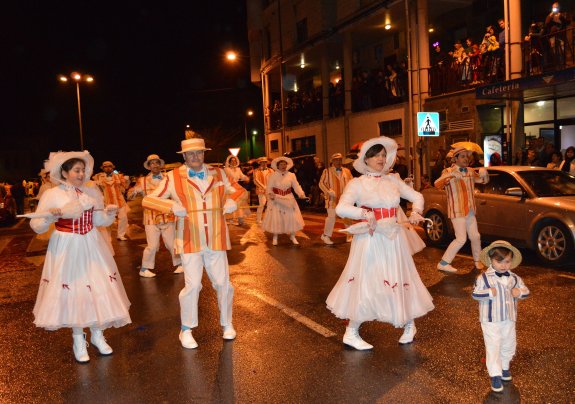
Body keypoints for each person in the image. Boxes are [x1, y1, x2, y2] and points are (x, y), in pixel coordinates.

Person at [326, 136, 434, 350]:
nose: (381, 159)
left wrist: (416, 212)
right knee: (366, 282)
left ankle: (409, 325)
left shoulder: (393, 180)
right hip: (370, 238)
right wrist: (365, 213)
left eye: (384, 155)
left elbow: (417, 197)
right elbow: (341, 208)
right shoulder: (357, 183)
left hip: (393, 238)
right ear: (366, 159)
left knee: (398, 277)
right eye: (376, 155)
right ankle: (351, 332)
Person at [29, 151, 131, 363]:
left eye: (83, 170)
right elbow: (36, 225)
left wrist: (109, 213)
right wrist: (50, 216)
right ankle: (78, 338)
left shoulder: (91, 192)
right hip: (67, 244)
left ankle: (97, 334)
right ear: (64, 172)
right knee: (74, 291)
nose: (81, 174)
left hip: (91, 243)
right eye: (76, 170)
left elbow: (99, 220)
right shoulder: (52, 194)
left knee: (97, 287)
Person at [142, 137, 239, 349]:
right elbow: (148, 200)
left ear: (204, 154)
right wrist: (170, 206)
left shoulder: (219, 173)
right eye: (191, 154)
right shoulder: (172, 177)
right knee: (193, 285)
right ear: (184, 156)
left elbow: (238, 190)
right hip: (188, 238)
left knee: (223, 283)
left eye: (200, 153)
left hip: (216, 237)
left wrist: (232, 201)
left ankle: (227, 324)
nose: (196, 157)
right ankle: (186, 329)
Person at [472, 240, 530, 392]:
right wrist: (488, 292)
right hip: (490, 320)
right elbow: (475, 294)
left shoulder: (515, 278)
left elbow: (526, 291)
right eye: (500, 261)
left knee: (509, 343)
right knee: (493, 345)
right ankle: (495, 374)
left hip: (509, 319)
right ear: (491, 260)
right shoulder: (483, 278)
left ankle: (504, 367)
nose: (504, 265)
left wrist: (520, 292)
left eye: (507, 261)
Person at [435, 146, 489, 273]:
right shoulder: (448, 171)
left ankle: (477, 260)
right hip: (457, 210)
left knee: (475, 236)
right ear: (455, 159)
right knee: (461, 238)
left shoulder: (470, 171)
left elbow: (483, 181)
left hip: (469, 209)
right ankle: (443, 263)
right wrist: (450, 175)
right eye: (463, 156)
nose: (466, 158)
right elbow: (437, 184)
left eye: (467, 156)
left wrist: (485, 174)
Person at [128, 154, 183, 278]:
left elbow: (176, 194)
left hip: (167, 216)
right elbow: (129, 195)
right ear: (149, 166)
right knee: (152, 246)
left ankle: (180, 264)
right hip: (150, 218)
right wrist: (134, 191)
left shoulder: (167, 178)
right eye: (152, 163)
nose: (155, 165)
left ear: (160, 164)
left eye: (157, 162)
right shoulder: (142, 181)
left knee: (171, 243)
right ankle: (144, 268)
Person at [263, 156, 307, 246]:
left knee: (292, 217)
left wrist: (301, 194)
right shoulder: (272, 175)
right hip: (276, 199)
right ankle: (275, 237)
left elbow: (296, 186)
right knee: (277, 218)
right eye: (281, 165)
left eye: (284, 164)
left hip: (289, 198)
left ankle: (292, 236)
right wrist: (270, 194)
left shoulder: (291, 175)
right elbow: (269, 188)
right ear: (277, 166)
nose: (283, 166)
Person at [319, 153, 354, 245]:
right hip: (332, 199)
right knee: (331, 218)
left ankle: (349, 235)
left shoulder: (347, 171)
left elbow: (351, 183)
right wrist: (328, 191)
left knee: (347, 217)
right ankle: (326, 236)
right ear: (332, 161)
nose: (338, 162)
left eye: (340, 160)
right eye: (336, 160)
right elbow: (321, 183)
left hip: (345, 199)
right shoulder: (327, 171)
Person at [93, 161, 130, 240]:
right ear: (103, 168)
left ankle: (120, 235)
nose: (108, 168)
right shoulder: (98, 176)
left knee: (123, 218)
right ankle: (108, 236)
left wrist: (127, 181)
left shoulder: (119, 176)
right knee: (108, 219)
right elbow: (96, 189)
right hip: (107, 202)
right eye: (105, 166)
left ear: (113, 167)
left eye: (110, 166)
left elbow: (125, 188)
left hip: (119, 200)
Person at [224, 155, 250, 225]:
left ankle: (240, 219)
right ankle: (230, 218)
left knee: (240, 203)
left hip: (237, 186)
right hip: (230, 187)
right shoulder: (227, 169)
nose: (233, 162)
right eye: (232, 161)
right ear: (229, 162)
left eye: (234, 161)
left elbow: (242, 176)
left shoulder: (238, 169)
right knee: (231, 203)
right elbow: (229, 176)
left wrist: (246, 178)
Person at [253, 157, 273, 224]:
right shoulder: (256, 171)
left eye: (265, 162)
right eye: (262, 162)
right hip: (261, 190)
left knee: (270, 205)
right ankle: (258, 219)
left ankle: (269, 218)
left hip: (270, 190)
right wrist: (264, 187)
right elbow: (255, 180)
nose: (264, 163)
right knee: (262, 204)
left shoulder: (271, 170)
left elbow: (274, 180)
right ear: (260, 163)